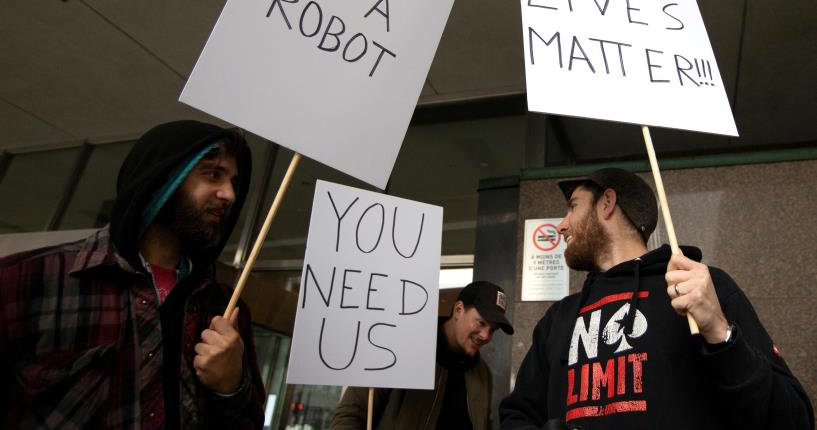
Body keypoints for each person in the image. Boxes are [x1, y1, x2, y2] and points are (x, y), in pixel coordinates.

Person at [499, 168, 814, 430]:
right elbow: (516, 416)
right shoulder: (560, 317)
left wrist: (720, 333)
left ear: (607, 202)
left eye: (573, 206)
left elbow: (794, 419)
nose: (562, 224)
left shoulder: (700, 289)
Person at [0, 120, 265, 429]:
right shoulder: (27, 281)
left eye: (234, 181)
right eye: (213, 174)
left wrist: (231, 387)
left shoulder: (227, 310)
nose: (230, 194)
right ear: (162, 179)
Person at [331, 280, 514, 430]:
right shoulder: (398, 351)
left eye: (492, 330)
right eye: (480, 323)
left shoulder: (482, 374)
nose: (485, 336)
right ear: (458, 309)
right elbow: (349, 416)